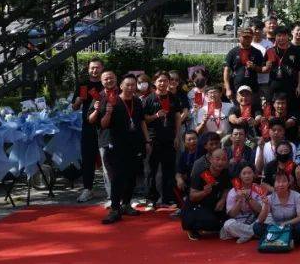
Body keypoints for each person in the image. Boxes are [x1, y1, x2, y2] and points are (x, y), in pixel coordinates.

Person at [95, 72, 149, 224]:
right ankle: (114, 209)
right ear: (121, 86)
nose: (131, 88)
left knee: (132, 177)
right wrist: (108, 112)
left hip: (134, 144)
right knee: (117, 178)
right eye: (128, 85)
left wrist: (147, 141)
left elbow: (142, 122)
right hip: (116, 145)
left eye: (133, 85)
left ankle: (126, 204)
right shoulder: (111, 100)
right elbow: (103, 124)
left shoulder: (137, 101)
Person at [143, 70, 187, 208]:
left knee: (169, 169)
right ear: (154, 82)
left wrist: (177, 136)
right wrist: (156, 116)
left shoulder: (173, 98)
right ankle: (151, 198)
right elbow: (143, 119)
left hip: (170, 138)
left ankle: (167, 198)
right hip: (154, 138)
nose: (163, 83)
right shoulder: (149, 99)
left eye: (165, 80)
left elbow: (177, 117)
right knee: (151, 170)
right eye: (160, 81)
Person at [72, 57, 105, 203]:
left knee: (109, 158)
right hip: (88, 126)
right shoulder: (83, 84)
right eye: (92, 68)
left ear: (102, 68)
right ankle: (87, 189)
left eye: (97, 67)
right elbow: (74, 107)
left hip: (106, 126)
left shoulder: (106, 82)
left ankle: (114, 189)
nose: (94, 70)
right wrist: (78, 101)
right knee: (88, 158)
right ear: (88, 69)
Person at [183, 148, 231, 239]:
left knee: (226, 221)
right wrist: (204, 192)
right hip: (196, 206)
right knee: (211, 222)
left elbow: (227, 188)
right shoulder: (201, 173)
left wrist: (223, 199)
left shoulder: (225, 173)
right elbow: (192, 196)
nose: (220, 162)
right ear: (211, 160)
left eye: (224, 159)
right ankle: (192, 227)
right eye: (217, 159)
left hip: (213, 204)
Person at [254, 170, 300, 243]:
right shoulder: (269, 198)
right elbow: (260, 220)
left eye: (284, 181)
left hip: (291, 226)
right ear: (274, 184)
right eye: (278, 181)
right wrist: (266, 205)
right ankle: (282, 240)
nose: (281, 184)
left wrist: (285, 223)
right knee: (256, 227)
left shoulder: (297, 196)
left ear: (288, 183)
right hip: (275, 227)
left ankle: (276, 240)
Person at [220, 164, 265, 243]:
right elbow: (232, 214)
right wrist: (239, 200)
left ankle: (246, 234)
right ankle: (253, 233)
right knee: (228, 224)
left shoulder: (259, 189)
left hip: (254, 220)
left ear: (254, 174)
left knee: (268, 219)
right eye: (244, 173)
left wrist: (248, 197)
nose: (247, 176)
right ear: (240, 176)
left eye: (249, 173)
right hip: (238, 222)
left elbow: (260, 210)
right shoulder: (233, 191)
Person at [224, 28, 265, 102]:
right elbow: (226, 71)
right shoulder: (233, 52)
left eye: (249, 37)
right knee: (237, 108)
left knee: (253, 107)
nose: (247, 39)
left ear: (252, 38)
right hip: (236, 87)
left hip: (253, 88)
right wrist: (228, 89)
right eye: (245, 37)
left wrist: (254, 67)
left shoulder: (257, 52)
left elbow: (261, 69)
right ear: (239, 37)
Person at [265, 26, 300, 103]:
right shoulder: (270, 51)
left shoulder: (295, 51)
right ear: (275, 37)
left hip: (290, 86)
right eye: (279, 36)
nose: (281, 38)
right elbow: (263, 68)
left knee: (291, 107)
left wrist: (299, 86)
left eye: (284, 35)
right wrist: (266, 67)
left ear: (288, 36)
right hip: (274, 86)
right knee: (272, 106)